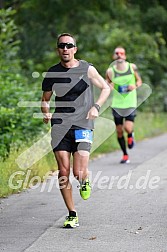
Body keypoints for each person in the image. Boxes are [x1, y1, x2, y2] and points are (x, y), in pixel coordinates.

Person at [41, 33, 110, 228]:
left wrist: (96, 107)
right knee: (63, 171)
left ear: (75, 49)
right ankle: (72, 213)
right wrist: (45, 113)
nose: (65, 49)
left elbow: (105, 88)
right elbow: (45, 100)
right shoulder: (52, 73)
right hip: (60, 125)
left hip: (83, 124)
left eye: (69, 45)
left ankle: (84, 179)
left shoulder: (87, 69)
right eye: (62, 46)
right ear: (58, 49)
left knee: (78, 172)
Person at [106, 46, 142, 164]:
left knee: (127, 127)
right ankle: (125, 154)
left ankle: (131, 135)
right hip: (117, 104)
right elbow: (108, 85)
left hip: (130, 102)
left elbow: (139, 81)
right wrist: (110, 88)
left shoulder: (132, 67)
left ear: (125, 56)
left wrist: (134, 86)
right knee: (119, 130)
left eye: (122, 53)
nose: (119, 55)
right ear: (114, 56)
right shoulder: (110, 71)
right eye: (117, 53)